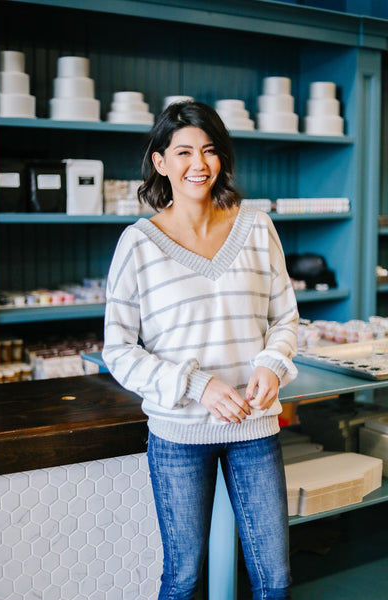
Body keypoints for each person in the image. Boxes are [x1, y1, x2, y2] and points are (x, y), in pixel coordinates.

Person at [102, 100, 299, 600]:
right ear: (160, 162)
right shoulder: (138, 244)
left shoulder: (257, 227)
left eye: (210, 150)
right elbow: (119, 349)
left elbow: (285, 318)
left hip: (255, 427)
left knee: (274, 581)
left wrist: (273, 365)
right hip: (179, 433)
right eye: (184, 151)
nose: (199, 163)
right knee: (184, 578)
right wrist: (196, 384)